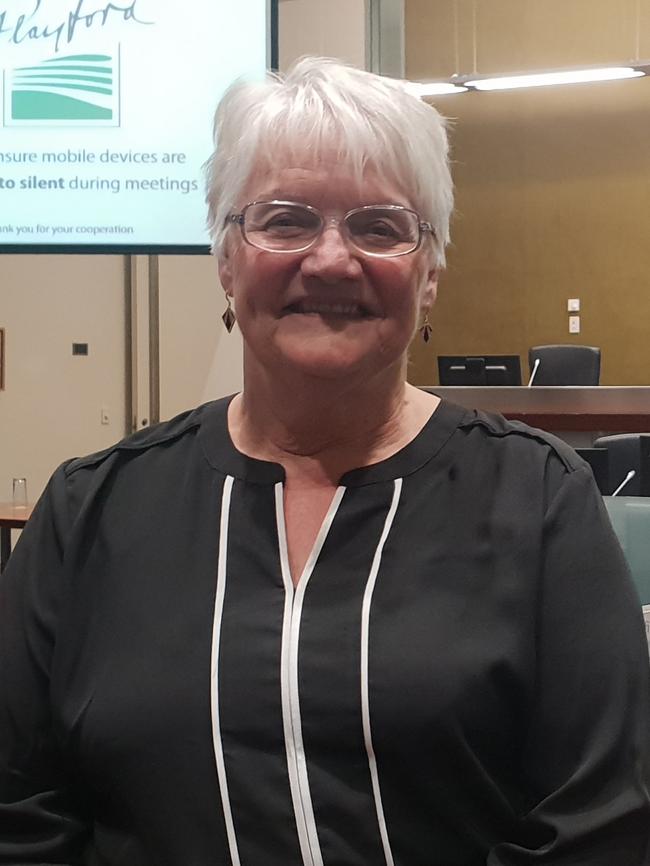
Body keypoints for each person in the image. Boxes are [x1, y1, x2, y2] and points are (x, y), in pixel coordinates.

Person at [0, 57, 649, 866]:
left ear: (431, 272)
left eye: (380, 227)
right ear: (226, 259)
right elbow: (21, 813)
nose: (333, 259)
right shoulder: (88, 513)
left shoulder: (541, 501)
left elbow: (601, 822)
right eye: (286, 220)